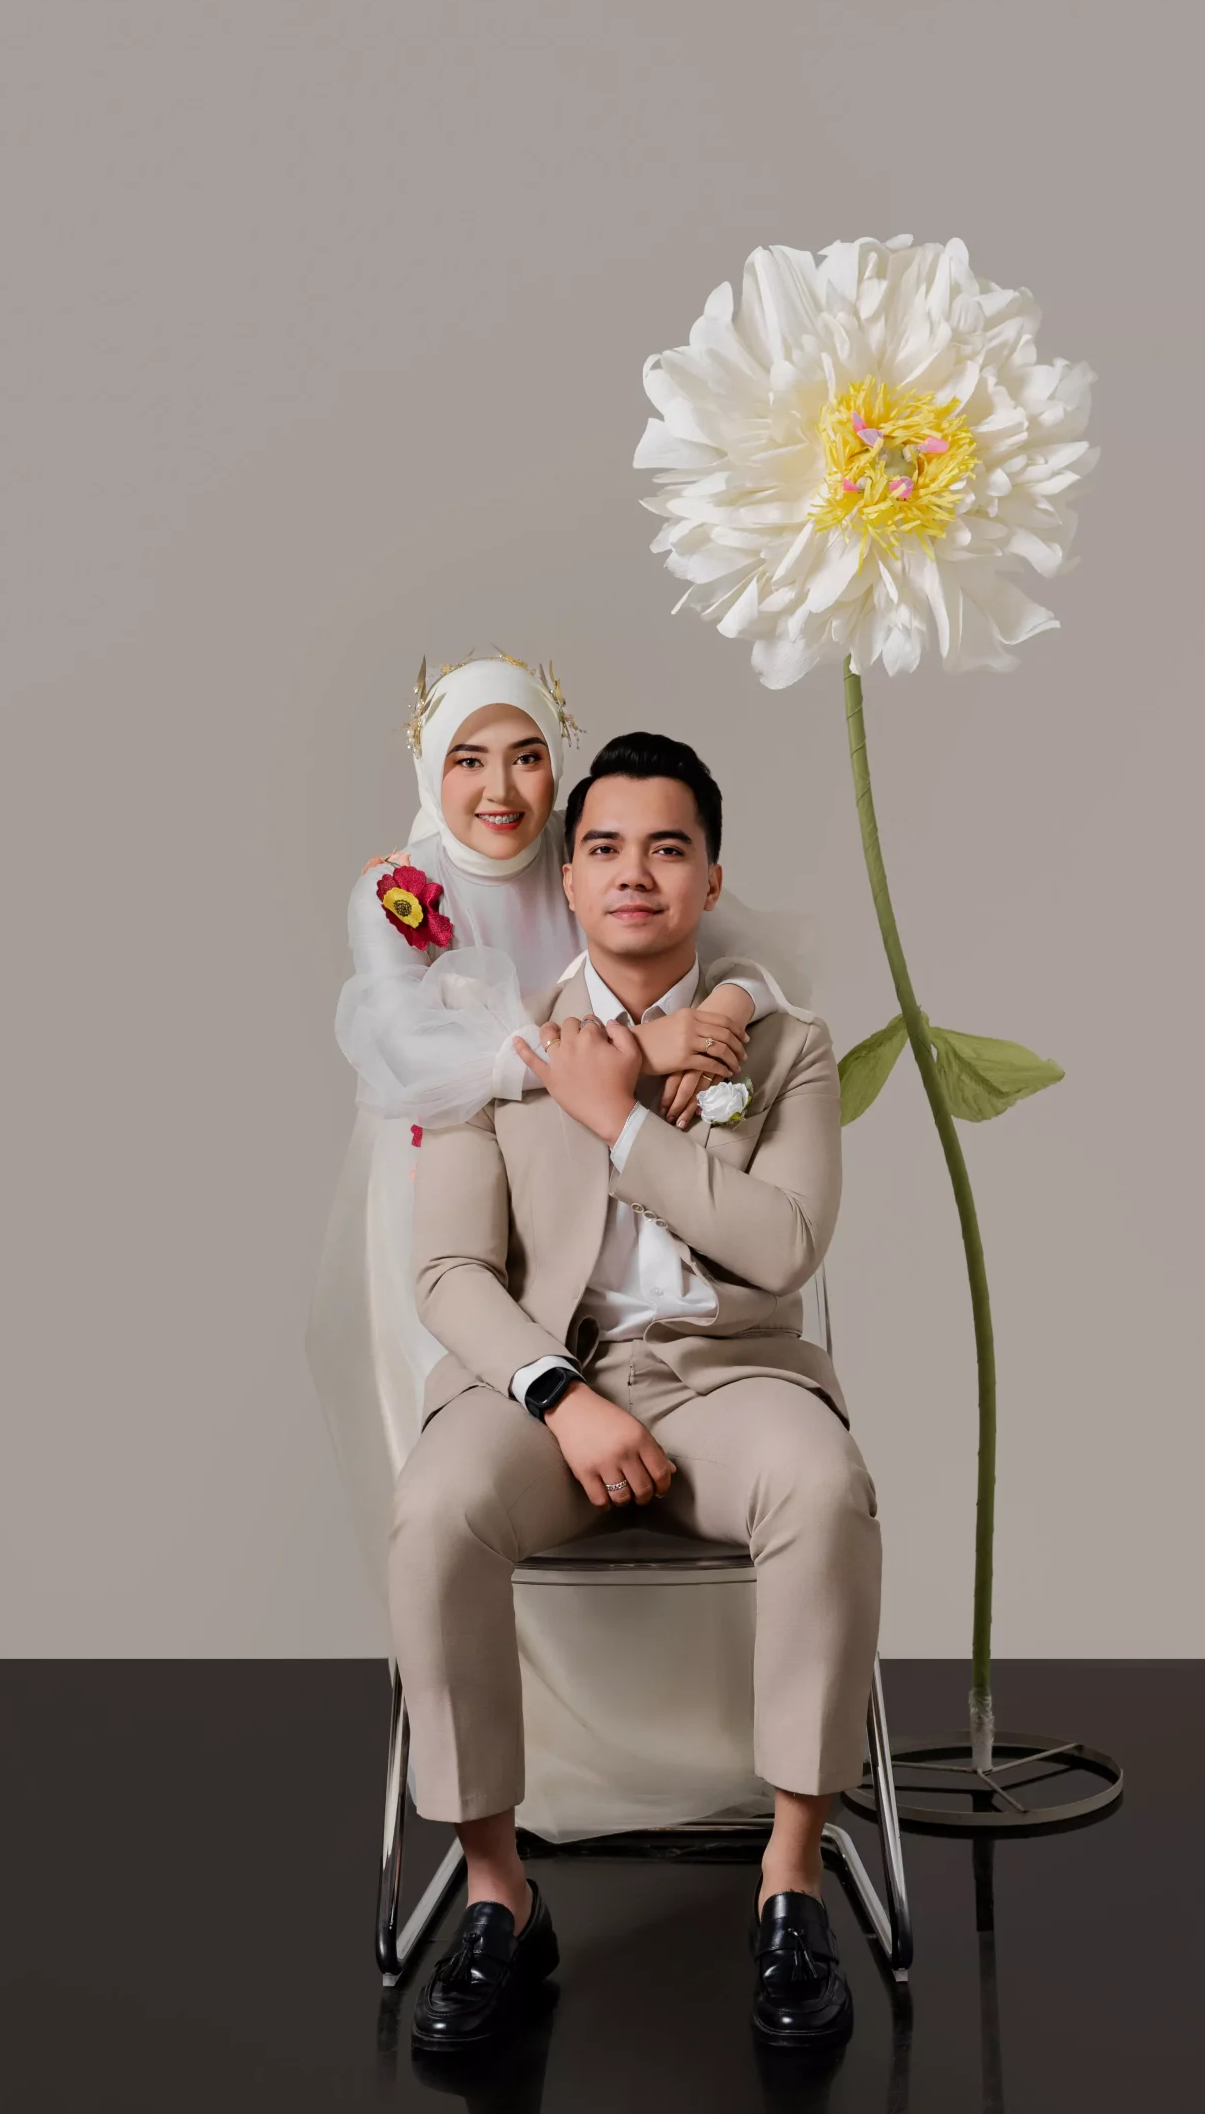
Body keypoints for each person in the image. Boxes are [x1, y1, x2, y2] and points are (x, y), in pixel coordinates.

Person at [394, 732, 879, 2058]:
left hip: (730, 1376)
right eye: (603, 847)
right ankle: (496, 1893)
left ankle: (789, 1880)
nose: (634, 873)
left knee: (824, 1486)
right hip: (544, 1388)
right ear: (567, 877)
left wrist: (621, 1122)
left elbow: (783, 1245)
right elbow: (446, 1271)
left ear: (710, 878)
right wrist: (558, 1392)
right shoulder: (494, 1043)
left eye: (668, 848)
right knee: (434, 1508)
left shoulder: (785, 1045)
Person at [310, 653, 809, 1578]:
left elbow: (751, 950)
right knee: (462, 1454)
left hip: (612, 1168)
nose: (500, 789)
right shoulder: (398, 891)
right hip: (456, 1166)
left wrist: (730, 1006)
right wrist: (638, 1051)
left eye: (527, 756)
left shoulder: (591, 854)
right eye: (468, 759)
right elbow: (414, 1054)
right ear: (428, 766)